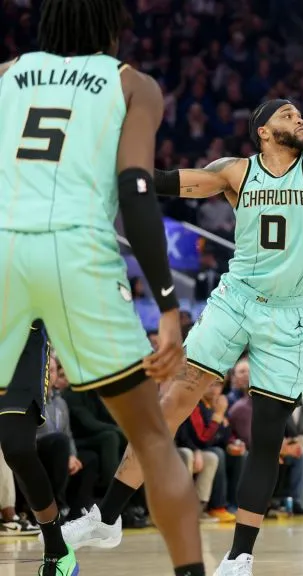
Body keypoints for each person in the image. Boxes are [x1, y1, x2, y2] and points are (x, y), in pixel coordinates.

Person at [59, 7, 303, 575]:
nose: (301, 118)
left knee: (268, 432)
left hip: (289, 315)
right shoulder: (235, 172)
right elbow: (166, 184)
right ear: (265, 130)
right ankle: (110, 515)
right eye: (288, 114)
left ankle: (239, 557)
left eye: (299, 112)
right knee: (172, 399)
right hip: (235, 297)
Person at [0, 1, 204, 573]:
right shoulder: (131, 84)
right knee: (153, 441)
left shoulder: (8, 75)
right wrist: (167, 305)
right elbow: (136, 191)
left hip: (4, 246)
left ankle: (56, 547)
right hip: (78, 252)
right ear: (112, 25)